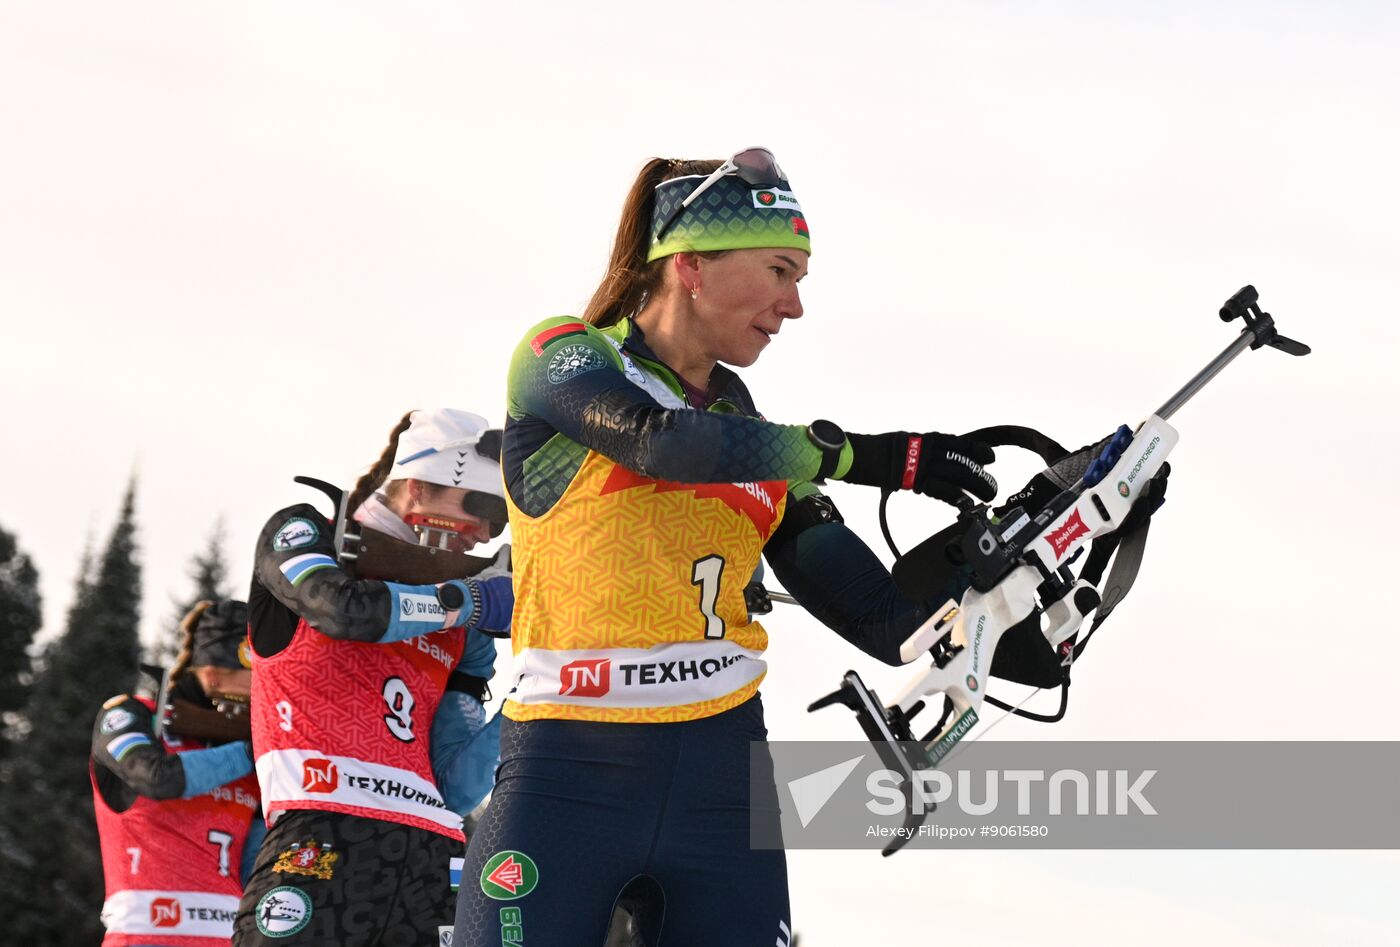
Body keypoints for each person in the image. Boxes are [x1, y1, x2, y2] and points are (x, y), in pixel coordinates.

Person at [450, 149, 1007, 947]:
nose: (795, 304)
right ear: (691, 266)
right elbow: (662, 444)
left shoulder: (753, 434)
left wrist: (1020, 557)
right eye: (781, 270)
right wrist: (880, 457)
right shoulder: (565, 353)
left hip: (721, 775)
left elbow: (888, 620)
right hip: (567, 770)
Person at [233, 408, 513, 947]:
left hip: (437, 859)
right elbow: (342, 609)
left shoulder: (466, 627)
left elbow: (456, 785)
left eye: (498, 522)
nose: (483, 531)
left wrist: (538, 691)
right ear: (416, 487)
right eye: (479, 506)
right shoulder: (308, 530)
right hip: (319, 839)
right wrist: (464, 600)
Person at [91, 599, 263, 947]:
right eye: (253, 683)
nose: (262, 696)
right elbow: (157, 777)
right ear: (212, 675)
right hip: (145, 937)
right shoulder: (133, 716)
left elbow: (256, 866)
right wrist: (248, 750)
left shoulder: (251, 760)